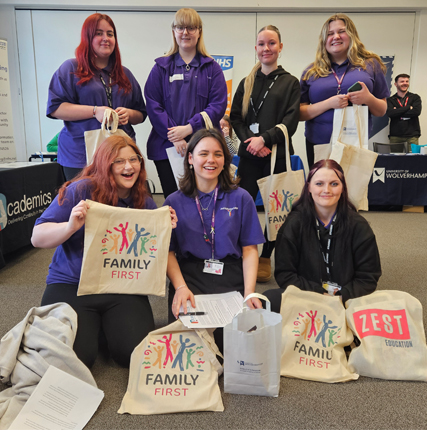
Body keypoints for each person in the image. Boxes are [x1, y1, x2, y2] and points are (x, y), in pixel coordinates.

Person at [31, 135, 177, 369]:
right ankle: (95, 327)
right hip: (72, 283)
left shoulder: (143, 198)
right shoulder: (80, 190)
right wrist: (70, 226)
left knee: (134, 353)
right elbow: (37, 237)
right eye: (118, 161)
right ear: (103, 163)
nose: (128, 167)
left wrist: (163, 229)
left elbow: (158, 253)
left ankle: (100, 325)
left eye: (133, 159)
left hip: (121, 284)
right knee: (75, 359)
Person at [164, 128, 265, 352]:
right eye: (204, 154)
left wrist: (249, 292)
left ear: (225, 160)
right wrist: (180, 287)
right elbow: (168, 252)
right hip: (189, 276)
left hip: (230, 272)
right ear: (190, 158)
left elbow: (249, 249)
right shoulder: (173, 201)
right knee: (192, 345)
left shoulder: (242, 197)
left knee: (233, 344)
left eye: (218, 154)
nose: (211, 160)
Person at [264, 159, 381, 313]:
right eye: (319, 184)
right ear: (309, 188)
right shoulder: (293, 225)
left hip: (347, 300)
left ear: (343, 188)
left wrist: (340, 297)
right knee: (267, 299)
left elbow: (368, 276)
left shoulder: (358, 226)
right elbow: (285, 275)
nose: (327, 190)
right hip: (306, 297)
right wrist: (320, 295)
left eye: (334, 184)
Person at [230, 25, 300, 283]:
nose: (266, 48)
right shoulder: (246, 82)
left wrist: (265, 139)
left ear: (280, 47)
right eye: (261, 44)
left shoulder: (290, 82)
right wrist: (252, 141)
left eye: (271, 43)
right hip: (249, 155)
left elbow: (291, 121)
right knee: (242, 206)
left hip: (277, 156)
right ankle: (243, 253)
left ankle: (265, 256)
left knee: (276, 212)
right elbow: (236, 117)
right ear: (256, 48)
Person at [47, 13, 147, 181]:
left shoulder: (125, 74)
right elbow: (56, 108)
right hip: (81, 155)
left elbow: (141, 114)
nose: (105, 38)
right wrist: (94, 111)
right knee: (85, 204)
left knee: (123, 204)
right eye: (98, 33)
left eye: (110, 34)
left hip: (120, 155)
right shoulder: (71, 68)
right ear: (88, 37)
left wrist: (128, 114)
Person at [145, 8, 227, 198]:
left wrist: (189, 129)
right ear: (173, 31)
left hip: (204, 149)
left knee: (204, 201)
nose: (185, 32)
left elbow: (217, 105)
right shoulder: (160, 68)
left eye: (191, 27)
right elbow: (153, 104)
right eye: (180, 27)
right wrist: (176, 135)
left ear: (199, 32)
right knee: (174, 202)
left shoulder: (212, 69)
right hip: (167, 147)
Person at [300, 13, 390, 167]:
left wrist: (368, 99)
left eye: (341, 31)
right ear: (324, 40)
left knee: (353, 190)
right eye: (330, 34)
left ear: (351, 35)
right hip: (319, 144)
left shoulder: (370, 65)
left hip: (355, 144)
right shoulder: (311, 72)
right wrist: (328, 103)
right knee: (322, 190)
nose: (336, 37)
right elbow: (300, 114)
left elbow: (381, 110)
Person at [387, 74, 422, 152]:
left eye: (407, 81)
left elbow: (416, 112)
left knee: (413, 160)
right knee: (395, 160)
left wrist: (397, 110)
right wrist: (408, 107)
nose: (405, 83)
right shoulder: (390, 100)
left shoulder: (415, 97)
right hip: (395, 136)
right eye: (402, 81)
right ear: (395, 84)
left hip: (412, 135)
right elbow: (390, 113)